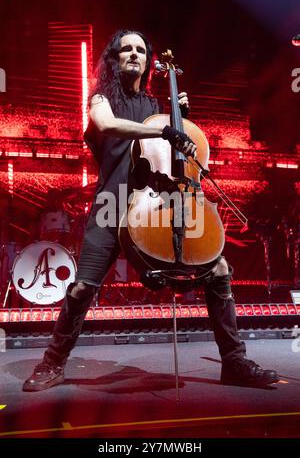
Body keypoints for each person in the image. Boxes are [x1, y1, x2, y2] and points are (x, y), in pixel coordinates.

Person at [23, 29, 279, 392]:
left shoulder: (155, 110)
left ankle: (234, 362)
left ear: (148, 60)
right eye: (125, 48)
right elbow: (108, 125)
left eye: (139, 50)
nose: (132, 54)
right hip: (112, 206)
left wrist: (178, 121)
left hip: (156, 207)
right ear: (115, 58)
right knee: (82, 288)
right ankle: (52, 364)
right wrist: (163, 132)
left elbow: (167, 161)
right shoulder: (100, 99)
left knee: (219, 268)